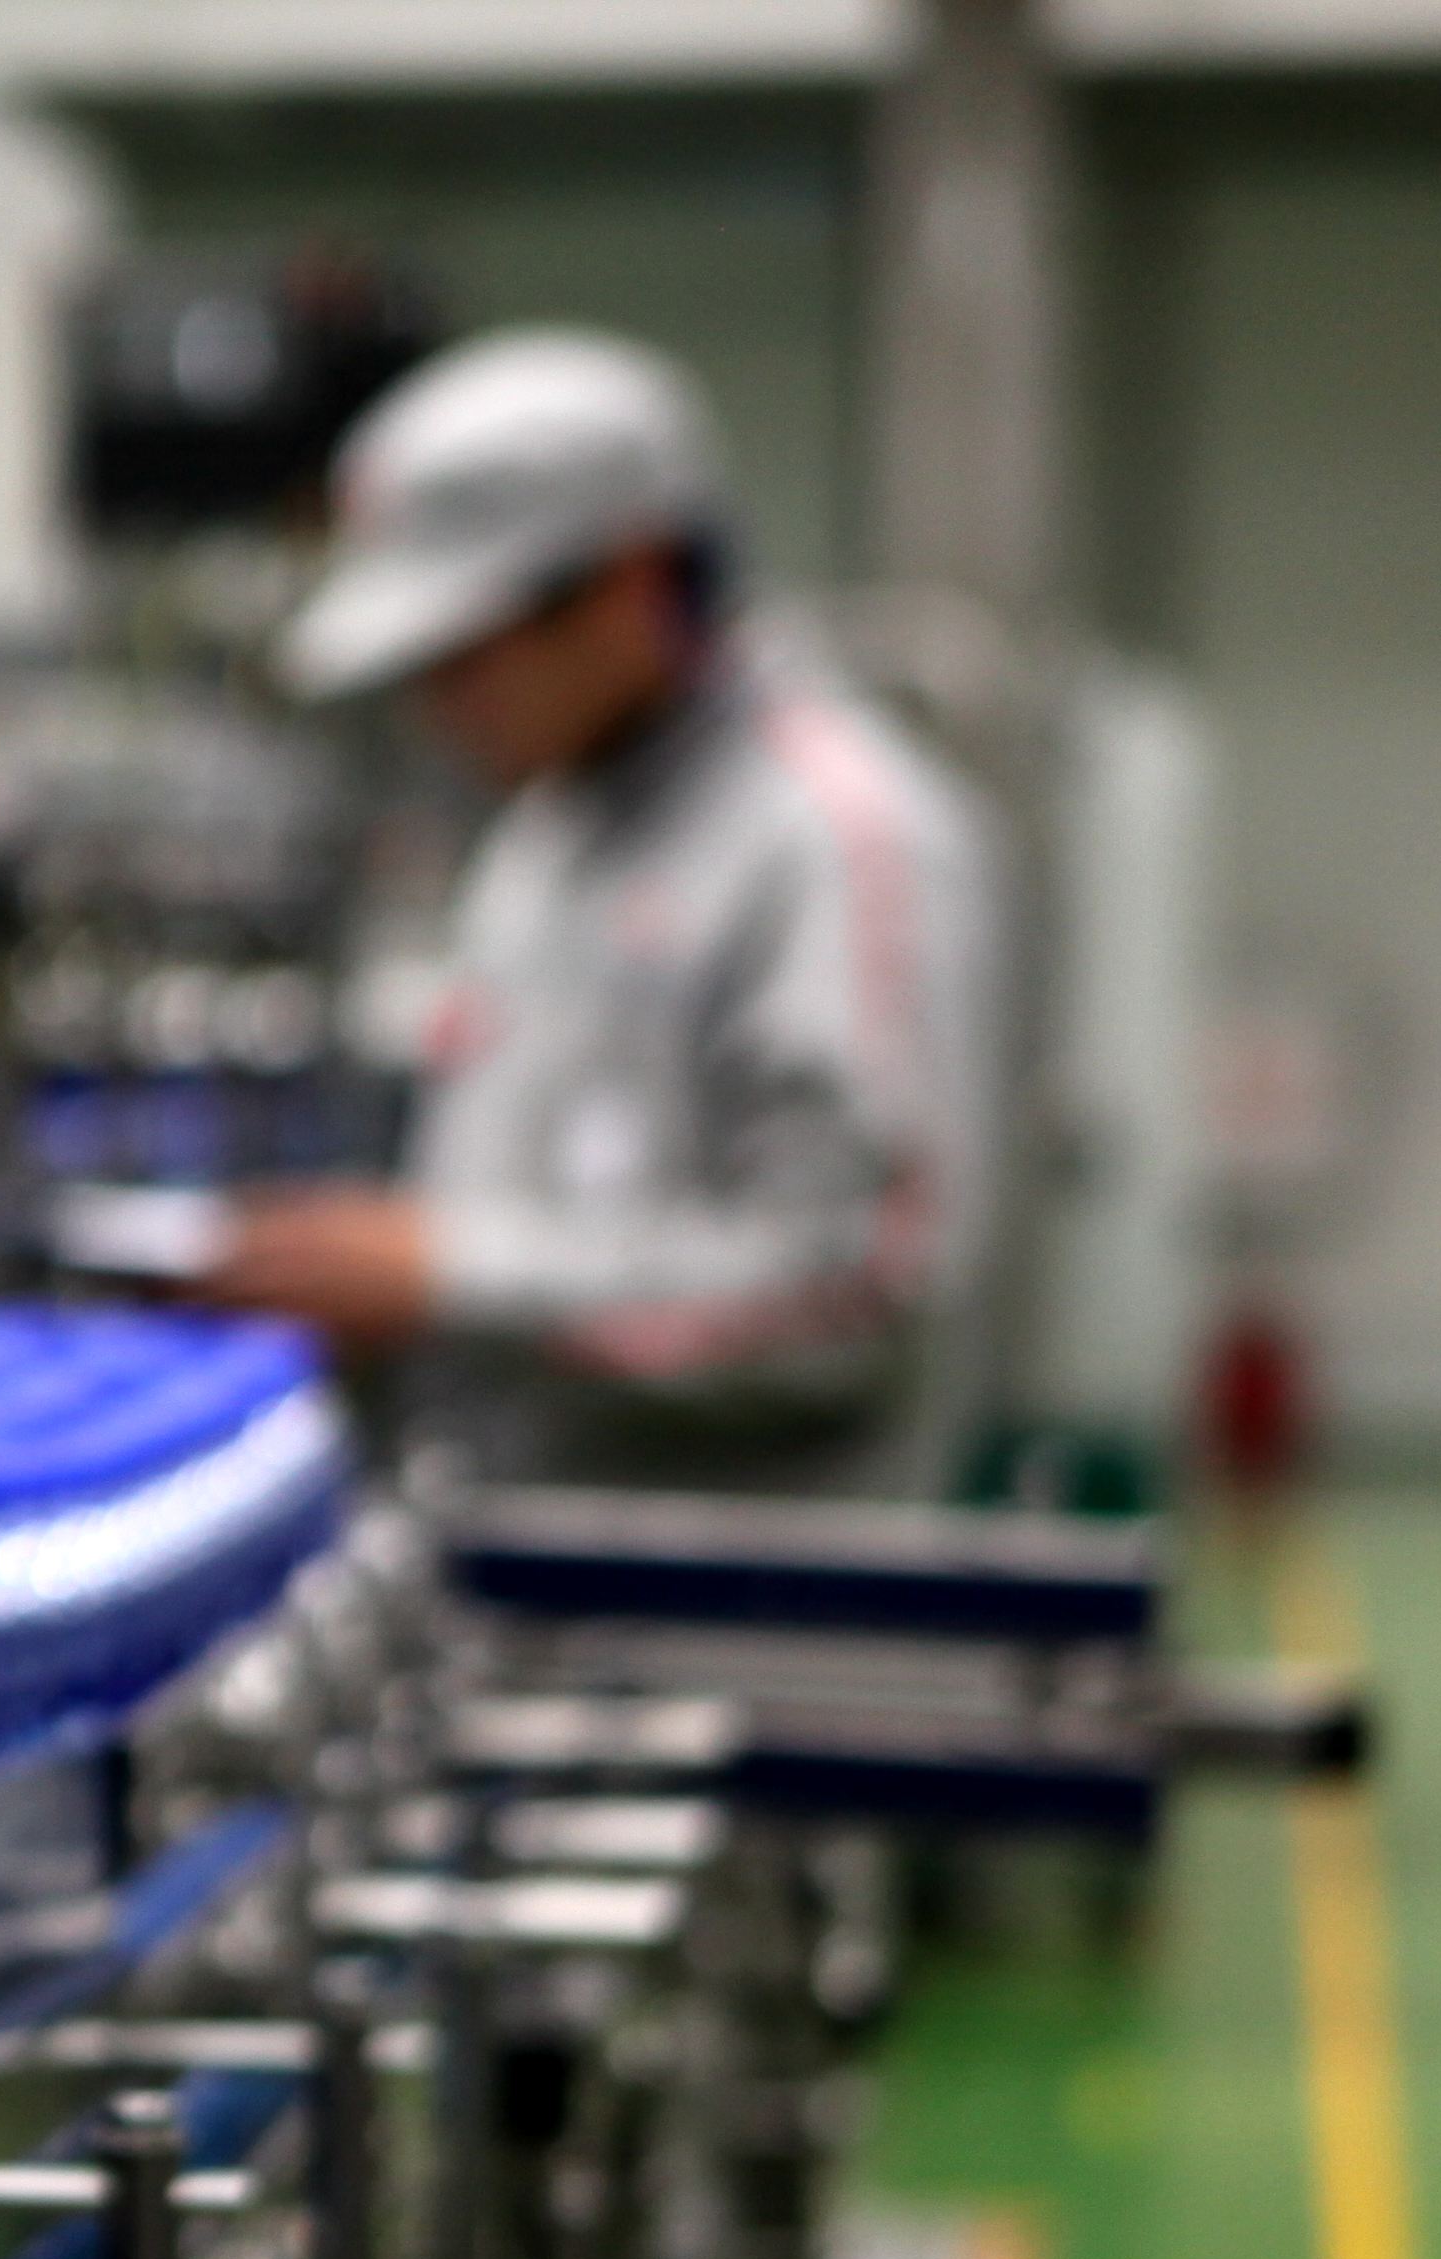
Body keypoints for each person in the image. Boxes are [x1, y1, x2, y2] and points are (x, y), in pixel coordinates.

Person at [199, 330, 1001, 1494]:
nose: (435, 705)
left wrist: (446, 1278)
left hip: (738, 1585)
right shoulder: (546, 831)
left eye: (462, 653)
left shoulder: (833, 839)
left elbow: (858, 1296)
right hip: (517, 1553)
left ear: (626, 587)